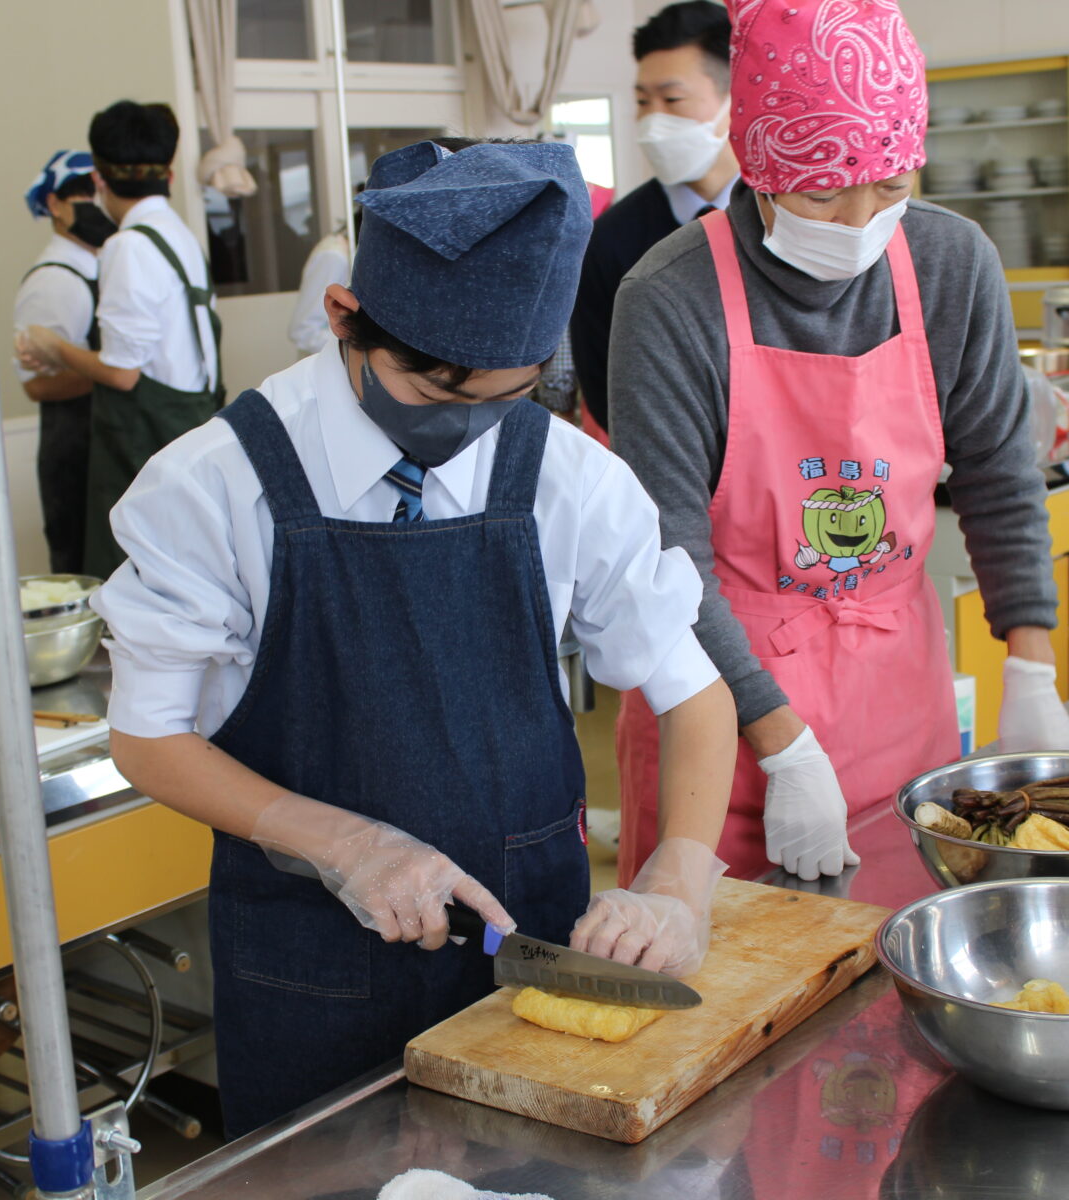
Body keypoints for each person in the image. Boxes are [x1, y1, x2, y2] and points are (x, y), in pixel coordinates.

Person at [93, 138, 737, 1136]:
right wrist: (343, 843)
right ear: (347, 317)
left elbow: (693, 695)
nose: (469, 429)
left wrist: (681, 882)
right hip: (310, 975)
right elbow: (148, 737)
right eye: (439, 395)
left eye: (507, 398)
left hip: (531, 957)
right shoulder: (211, 486)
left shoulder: (568, 475)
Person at [610, 0, 1069, 886]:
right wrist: (782, 748)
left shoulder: (952, 262)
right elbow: (668, 557)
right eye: (823, 189)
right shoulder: (670, 298)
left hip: (898, 695)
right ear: (759, 159)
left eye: (892, 188)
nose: (860, 219)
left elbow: (999, 471)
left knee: (904, 965)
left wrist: (1031, 663)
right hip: (721, 716)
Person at [18, 101, 223, 579]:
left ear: (100, 181)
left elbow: (121, 373)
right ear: (169, 177)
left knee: (138, 582)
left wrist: (53, 347)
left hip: (145, 448)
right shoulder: (180, 236)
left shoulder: (127, 246)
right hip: (193, 429)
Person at [569, 0, 739, 435]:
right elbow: (607, 392)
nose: (651, 120)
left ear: (736, 98)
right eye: (644, 102)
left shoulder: (786, 217)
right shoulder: (610, 240)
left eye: (673, 98)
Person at [15, 149, 114, 575]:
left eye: (97, 193)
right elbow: (36, 384)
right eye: (79, 196)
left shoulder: (106, 264)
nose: (92, 206)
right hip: (76, 454)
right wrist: (117, 372)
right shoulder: (54, 281)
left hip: (108, 448)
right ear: (53, 204)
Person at [287, 229, 351, 357]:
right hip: (326, 365)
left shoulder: (339, 252)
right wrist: (357, 348)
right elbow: (304, 331)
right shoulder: (333, 257)